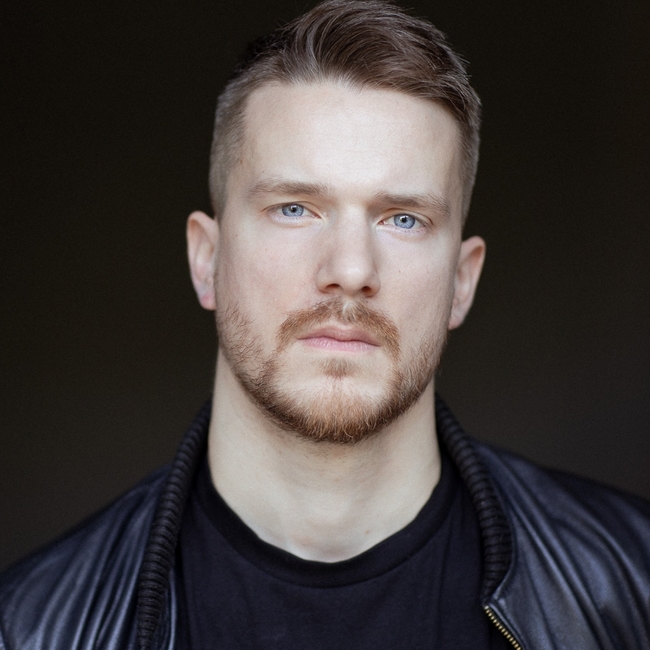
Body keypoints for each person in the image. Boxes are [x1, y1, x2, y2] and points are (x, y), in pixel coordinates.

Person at [1, 1, 649, 648]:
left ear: (462, 281)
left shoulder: (635, 587)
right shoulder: (24, 631)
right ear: (207, 260)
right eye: (294, 208)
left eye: (403, 219)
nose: (350, 269)